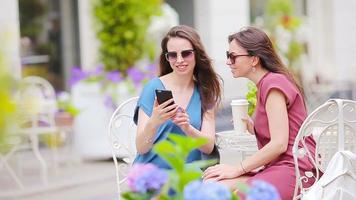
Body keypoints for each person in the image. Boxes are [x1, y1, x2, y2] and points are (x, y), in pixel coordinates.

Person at [202, 27, 317, 199]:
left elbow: (279, 144)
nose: (228, 62)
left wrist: (237, 168)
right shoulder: (264, 85)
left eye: (233, 56)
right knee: (212, 185)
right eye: (228, 55)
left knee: (239, 194)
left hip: (295, 169)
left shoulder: (273, 84)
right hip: (277, 166)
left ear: (254, 59)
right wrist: (254, 128)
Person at [133, 25, 222, 169]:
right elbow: (141, 148)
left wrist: (187, 128)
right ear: (167, 58)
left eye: (186, 53)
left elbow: (208, 147)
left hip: (187, 173)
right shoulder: (153, 88)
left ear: (197, 54)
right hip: (152, 173)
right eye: (173, 55)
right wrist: (154, 122)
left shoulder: (205, 91)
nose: (179, 60)